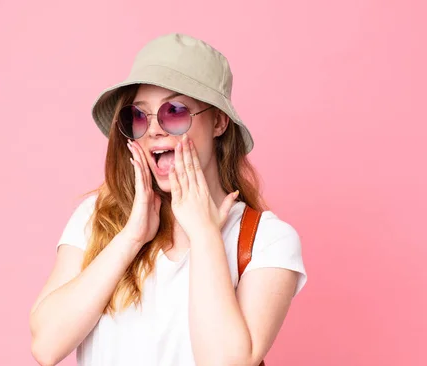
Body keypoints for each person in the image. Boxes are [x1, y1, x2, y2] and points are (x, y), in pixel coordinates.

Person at [29, 33, 307, 366]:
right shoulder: (95, 218)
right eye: (139, 116)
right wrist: (132, 237)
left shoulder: (267, 239)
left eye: (174, 111)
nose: (154, 130)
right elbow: (46, 346)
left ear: (218, 121)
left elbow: (225, 362)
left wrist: (205, 236)